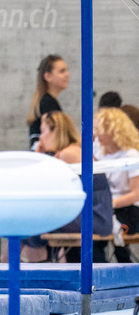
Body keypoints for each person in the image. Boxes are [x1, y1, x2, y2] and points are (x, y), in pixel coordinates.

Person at [25, 111, 113, 264]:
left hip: (93, 217)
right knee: (31, 223)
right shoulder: (75, 150)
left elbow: (44, 185)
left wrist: (39, 156)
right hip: (97, 216)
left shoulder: (66, 154)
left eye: (43, 131)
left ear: (56, 132)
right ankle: (43, 265)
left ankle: (38, 269)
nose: (41, 138)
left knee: (27, 224)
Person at [94, 106, 139, 263]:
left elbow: (136, 193)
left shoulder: (131, 155)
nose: (96, 134)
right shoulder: (100, 155)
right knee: (91, 235)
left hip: (128, 210)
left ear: (114, 130)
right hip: (107, 209)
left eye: (100, 129)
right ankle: (98, 270)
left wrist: (110, 204)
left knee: (104, 232)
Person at [27, 54, 70, 148]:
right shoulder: (48, 104)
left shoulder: (45, 101)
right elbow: (59, 140)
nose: (67, 74)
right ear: (48, 76)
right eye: (62, 71)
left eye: (67, 70)